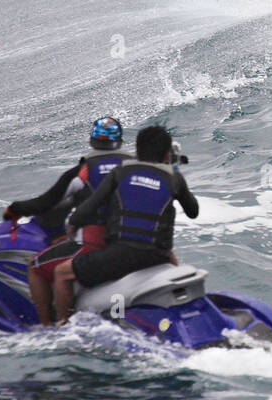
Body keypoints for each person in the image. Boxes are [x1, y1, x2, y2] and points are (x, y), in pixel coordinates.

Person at [51, 125, 199, 324]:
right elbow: (193, 212)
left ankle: (61, 327)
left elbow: (89, 207)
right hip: (159, 255)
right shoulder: (174, 178)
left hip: (123, 255)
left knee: (61, 273)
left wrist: (72, 224)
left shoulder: (120, 172)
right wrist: (176, 172)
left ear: (137, 151)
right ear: (166, 155)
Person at [11, 116, 130, 326]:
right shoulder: (136, 166)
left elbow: (45, 203)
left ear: (93, 142)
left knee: (35, 266)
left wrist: (15, 208)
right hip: (135, 242)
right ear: (119, 142)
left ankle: (53, 327)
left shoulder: (82, 172)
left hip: (97, 245)